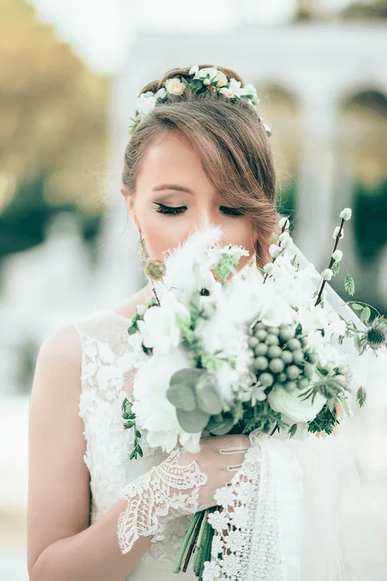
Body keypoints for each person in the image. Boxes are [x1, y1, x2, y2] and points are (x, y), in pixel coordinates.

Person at [27, 64, 387, 581]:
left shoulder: (296, 347)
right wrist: (163, 493)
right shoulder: (75, 356)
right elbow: (45, 571)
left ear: (260, 218)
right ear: (132, 207)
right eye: (172, 206)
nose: (205, 235)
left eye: (232, 208)